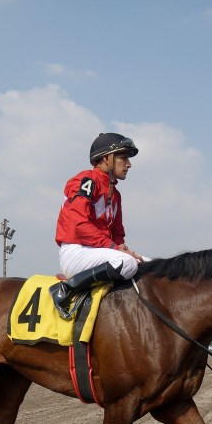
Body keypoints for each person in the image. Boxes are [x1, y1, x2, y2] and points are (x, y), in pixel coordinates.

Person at [51, 132, 146, 318]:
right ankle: (66, 289)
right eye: (124, 158)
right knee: (127, 262)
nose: (129, 164)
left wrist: (122, 247)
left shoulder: (116, 194)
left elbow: (117, 232)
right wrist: (116, 249)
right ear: (106, 159)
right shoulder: (86, 181)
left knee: (148, 265)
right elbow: (80, 225)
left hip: (100, 252)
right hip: (76, 252)